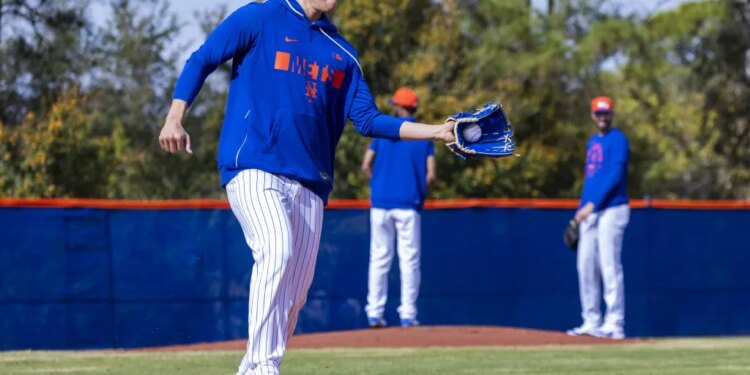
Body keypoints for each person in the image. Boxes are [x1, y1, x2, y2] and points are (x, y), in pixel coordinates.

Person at [157, 1, 455, 374]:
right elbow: (202, 59)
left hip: (310, 184)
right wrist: (174, 117)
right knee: (276, 249)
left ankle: (260, 366)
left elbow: (368, 120)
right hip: (253, 166)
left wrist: (438, 132)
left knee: (294, 294)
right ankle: (261, 369)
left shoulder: (342, 52)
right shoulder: (261, 17)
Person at [360, 88, 435, 328]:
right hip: (408, 203)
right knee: (409, 260)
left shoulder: (383, 131)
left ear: (399, 107)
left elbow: (365, 165)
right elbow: (431, 174)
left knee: (379, 258)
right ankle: (408, 314)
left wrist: (377, 183)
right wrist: (417, 188)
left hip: (381, 202)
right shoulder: (422, 134)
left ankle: (374, 313)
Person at [566, 96, 630, 340]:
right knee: (585, 265)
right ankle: (591, 320)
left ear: (612, 113)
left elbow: (615, 176)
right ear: (592, 115)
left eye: (606, 113)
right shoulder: (593, 141)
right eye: (598, 113)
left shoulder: (618, 139)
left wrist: (591, 205)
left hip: (612, 209)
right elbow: (590, 179)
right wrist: (582, 208)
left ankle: (615, 323)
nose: (602, 117)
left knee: (609, 265)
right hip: (590, 211)